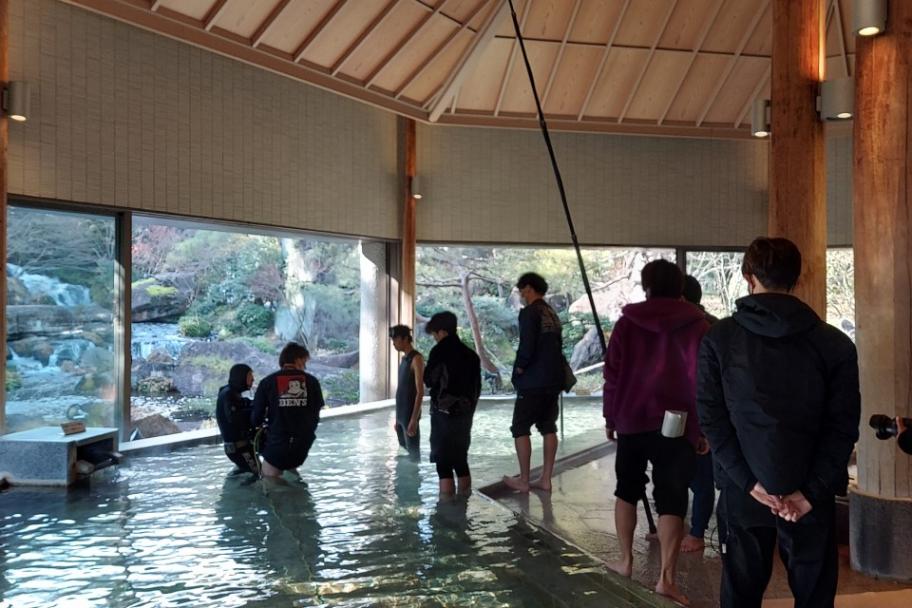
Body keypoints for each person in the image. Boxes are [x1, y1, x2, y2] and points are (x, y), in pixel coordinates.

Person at [697, 237, 860, 608]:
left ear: (748, 277)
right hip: (810, 497)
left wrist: (750, 482)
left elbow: (712, 418)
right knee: (814, 598)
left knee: (740, 595)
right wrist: (807, 493)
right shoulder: (833, 343)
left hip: (744, 492)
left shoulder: (720, 339)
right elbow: (843, 426)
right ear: (797, 279)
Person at [603, 259, 710, 605]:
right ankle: (666, 579)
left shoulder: (626, 324)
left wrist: (610, 417)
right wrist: (703, 427)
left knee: (626, 489)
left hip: (632, 418)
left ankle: (625, 561)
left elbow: (612, 376)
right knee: (673, 498)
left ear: (646, 286)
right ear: (680, 288)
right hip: (678, 423)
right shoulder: (698, 326)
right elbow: (704, 380)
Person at [504, 272, 564, 493]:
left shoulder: (530, 313)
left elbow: (527, 345)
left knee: (520, 427)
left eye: (521, 291)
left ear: (528, 288)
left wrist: (519, 368)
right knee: (548, 426)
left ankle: (524, 480)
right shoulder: (551, 313)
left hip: (533, 380)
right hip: (553, 379)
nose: (520, 295)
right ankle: (546, 479)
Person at [680, 275, 719, 553]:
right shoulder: (712, 325)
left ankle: (696, 533)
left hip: (699, 413)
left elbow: (705, 382)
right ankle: (680, 525)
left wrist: (704, 427)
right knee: (678, 474)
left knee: (700, 476)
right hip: (689, 412)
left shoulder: (702, 328)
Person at [424, 311, 481, 495]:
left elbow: (429, 380)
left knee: (444, 465)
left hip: (444, 414)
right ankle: (464, 503)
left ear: (441, 332)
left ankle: (446, 510)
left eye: (434, 334)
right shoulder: (471, 355)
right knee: (461, 460)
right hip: (465, 414)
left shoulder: (439, 352)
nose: (434, 338)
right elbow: (477, 388)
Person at [251, 342, 325, 480]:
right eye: (304, 362)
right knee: (293, 474)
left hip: (277, 445)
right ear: (297, 360)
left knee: (270, 481)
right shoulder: (312, 382)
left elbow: (256, 418)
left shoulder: (268, 382)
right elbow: (316, 413)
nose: (305, 366)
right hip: (303, 445)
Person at [215, 363, 258, 475]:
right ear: (241, 377)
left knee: (251, 472)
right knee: (259, 474)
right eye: (249, 376)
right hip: (239, 449)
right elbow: (237, 418)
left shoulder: (230, 393)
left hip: (238, 448)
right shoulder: (228, 394)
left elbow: (244, 404)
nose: (253, 379)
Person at [390, 324, 425, 459]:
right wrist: (398, 418)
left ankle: (414, 479)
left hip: (410, 416)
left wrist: (414, 420)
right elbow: (402, 391)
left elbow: (420, 392)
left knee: (414, 456)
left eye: (395, 340)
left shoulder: (416, 359)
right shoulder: (404, 359)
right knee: (404, 453)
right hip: (402, 416)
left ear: (405, 339)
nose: (393, 344)